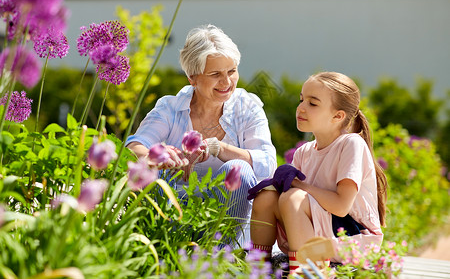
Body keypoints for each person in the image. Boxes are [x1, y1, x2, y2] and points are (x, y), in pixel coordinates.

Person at [126, 24, 277, 245]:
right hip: (175, 209)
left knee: (240, 168)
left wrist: (220, 148)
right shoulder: (170, 107)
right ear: (192, 78)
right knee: (150, 167)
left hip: (223, 217)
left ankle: (220, 255)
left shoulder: (248, 107)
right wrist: (158, 154)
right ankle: (162, 245)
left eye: (232, 71)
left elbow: (268, 163)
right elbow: (134, 146)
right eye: (215, 74)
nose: (227, 82)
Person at [249, 71, 388, 273]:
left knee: (293, 198)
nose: (301, 108)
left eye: (313, 104)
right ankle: (258, 268)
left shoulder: (351, 144)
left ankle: (305, 272)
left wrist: (297, 184)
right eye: (301, 100)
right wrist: (277, 184)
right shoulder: (304, 152)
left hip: (351, 238)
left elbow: (341, 206)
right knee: (266, 197)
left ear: (338, 116)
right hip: (320, 233)